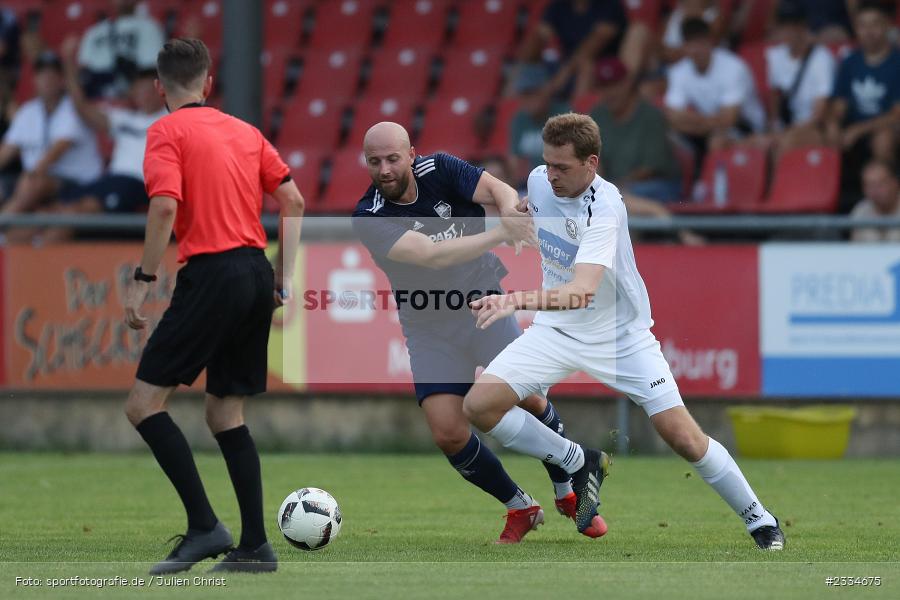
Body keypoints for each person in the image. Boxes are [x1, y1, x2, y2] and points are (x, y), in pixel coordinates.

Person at [462, 113, 785, 550]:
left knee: (683, 437)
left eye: (563, 167)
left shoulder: (606, 207)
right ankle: (578, 460)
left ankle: (760, 520)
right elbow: (527, 204)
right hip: (556, 331)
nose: (550, 175)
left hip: (620, 338)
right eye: (547, 164)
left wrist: (512, 299)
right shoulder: (540, 181)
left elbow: (581, 291)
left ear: (591, 163)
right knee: (480, 407)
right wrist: (516, 213)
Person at [352, 122, 588, 544]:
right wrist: (501, 232)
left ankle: (566, 487)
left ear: (411, 155)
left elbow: (498, 189)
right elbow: (431, 256)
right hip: (427, 325)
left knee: (530, 397)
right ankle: (521, 507)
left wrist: (510, 212)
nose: (385, 169)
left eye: (392, 159)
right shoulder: (368, 216)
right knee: (447, 430)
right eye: (375, 162)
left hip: (483, 303)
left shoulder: (440, 169)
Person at [123, 38, 304, 574]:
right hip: (255, 271)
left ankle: (205, 527)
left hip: (212, 272)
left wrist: (143, 278)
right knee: (225, 410)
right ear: (207, 83)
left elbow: (163, 206)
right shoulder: (244, 131)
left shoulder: (165, 131)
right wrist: (283, 277)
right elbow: (292, 199)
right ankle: (255, 545)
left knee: (143, 405)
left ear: (160, 87)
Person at [11, 36, 167, 244]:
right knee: (48, 213)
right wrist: (68, 62)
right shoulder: (123, 118)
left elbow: (193, 95)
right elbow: (81, 106)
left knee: (74, 213)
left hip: (138, 184)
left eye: (148, 86)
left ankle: (37, 263)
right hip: (109, 179)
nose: (142, 92)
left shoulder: (173, 119)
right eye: (138, 86)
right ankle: (7, 245)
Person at [0, 51, 102, 217]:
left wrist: (30, 175)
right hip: (37, 180)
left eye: (52, 74)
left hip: (77, 182)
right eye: (42, 74)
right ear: (35, 79)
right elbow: (5, 151)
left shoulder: (74, 108)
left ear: (62, 80)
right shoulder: (28, 110)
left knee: (32, 184)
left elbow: (56, 151)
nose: (47, 79)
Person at [664, 18, 765, 173]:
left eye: (699, 43)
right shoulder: (679, 71)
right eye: (689, 44)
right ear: (683, 47)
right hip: (707, 130)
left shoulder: (733, 67)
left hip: (748, 128)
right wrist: (708, 122)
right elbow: (671, 117)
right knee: (667, 136)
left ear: (710, 42)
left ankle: (711, 190)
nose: (695, 50)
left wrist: (693, 121)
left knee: (717, 141)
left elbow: (729, 119)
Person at [827, 1, 900, 206]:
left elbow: (896, 114)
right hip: (854, 131)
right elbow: (839, 106)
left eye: (875, 24)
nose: (869, 31)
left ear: (887, 25)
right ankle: (830, 201)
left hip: (886, 129)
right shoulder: (850, 61)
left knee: (883, 139)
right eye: (863, 25)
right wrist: (833, 124)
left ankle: (883, 197)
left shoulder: (897, 62)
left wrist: (858, 130)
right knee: (822, 135)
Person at [591, 58, 682, 203]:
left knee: (616, 197)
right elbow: (594, 161)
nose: (609, 92)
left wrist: (613, 188)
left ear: (627, 83)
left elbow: (649, 169)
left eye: (615, 85)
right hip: (617, 187)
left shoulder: (651, 115)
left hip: (657, 185)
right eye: (604, 87)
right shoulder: (597, 116)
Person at [765, 2, 836, 158]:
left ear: (803, 27)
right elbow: (775, 99)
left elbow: (819, 113)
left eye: (791, 27)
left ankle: (779, 183)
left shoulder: (821, 58)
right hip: (788, 126)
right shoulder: (775, 56)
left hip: (815, 128)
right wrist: (775, 128)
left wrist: (789, 132)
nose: (786, 32)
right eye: (782, 27)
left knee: (785, 144)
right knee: (757, 144)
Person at [78, 0, 165, 98]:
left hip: (134, 102)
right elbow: (84, 74)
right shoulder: (93, 32)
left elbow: (150, 74)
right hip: (96, 98)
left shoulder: (150, 26)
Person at [850, 160, 900, 242]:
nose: (875, 190)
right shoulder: (860, 211)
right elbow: (855, 252)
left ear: (895, 183)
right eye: (869, 185)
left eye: (881, 184)